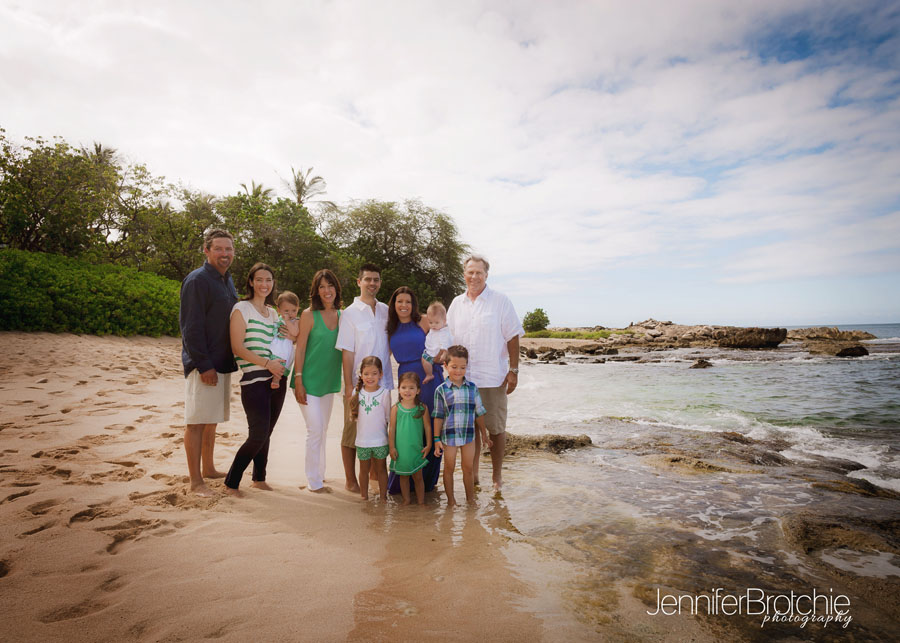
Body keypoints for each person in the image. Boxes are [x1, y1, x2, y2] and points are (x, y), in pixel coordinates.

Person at [446, 254, 524, 493]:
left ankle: (497, 476)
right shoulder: (456, 303)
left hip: (492, 377)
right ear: (464, 275)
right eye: (470, 272)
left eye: (479, 272)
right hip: (463, 380)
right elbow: (448, 339)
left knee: (496, 429)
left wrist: (513, 370)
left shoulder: (500, 301)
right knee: (470, 431)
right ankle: (474, 474)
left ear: (486, 275)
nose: (474, 277)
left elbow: (513, 336)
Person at [179, 229, 238, 497]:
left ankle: (209, 468)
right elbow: (190, 328)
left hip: (222, 361)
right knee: (196, 422)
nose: (225, 254)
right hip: (204, 364)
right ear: (206, 250)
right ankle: (195, 482)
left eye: (229, 249)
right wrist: (204, 365)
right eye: (219, 249)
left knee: (211, 419)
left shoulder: (227, 280)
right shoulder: (197, 280)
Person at [223, 263, 288, 497]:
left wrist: (279, 367)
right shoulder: (242, 309)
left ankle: (259, 479)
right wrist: (267, 363)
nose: (264, 284)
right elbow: (237, 347)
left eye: (268, 280)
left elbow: (280, 342)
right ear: (251, 282)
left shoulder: (273, 313)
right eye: (259, 279)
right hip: (254, 380)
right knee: (258, 434)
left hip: (277, 379)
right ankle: (231, 482)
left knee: (266, 433)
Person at [335, 263, 393, 492]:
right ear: (359, 282)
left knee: (378, 431)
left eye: (376, 279)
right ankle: (351, 480)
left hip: (383, 384)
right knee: (352, 431)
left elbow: (389, 345)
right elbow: (347, 352)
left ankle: (374, 475)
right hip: (358, 385)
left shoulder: (386, 310)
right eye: (368, 279)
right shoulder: (350, 313)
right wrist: (350, 386)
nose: (372, 283)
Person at [386, 286, 443, 493]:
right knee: (407, 429)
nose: (404, 305)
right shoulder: (390, 327)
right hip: (406, 381)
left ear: (413, 304)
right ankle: (403, 481)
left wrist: (441, 357)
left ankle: (427, 482)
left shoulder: (424, 321)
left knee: (432, 427)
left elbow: (444, 337)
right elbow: (384, 355)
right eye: (400, 301)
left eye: (408, 302)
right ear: (394, 304)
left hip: (429, 378)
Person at [291, 269, 343, 493]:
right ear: (316, 290)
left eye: (330, 285)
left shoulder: (343, 316)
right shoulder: (308, 315)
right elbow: (300, 348)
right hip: (307, 381)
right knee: (315, 429)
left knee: (323, 429)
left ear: (336, 289)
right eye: (322, 286)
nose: (326, 290)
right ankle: (313, 482)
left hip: (329, 382)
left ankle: (320, 475)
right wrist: (298, 379)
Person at [432, 345, 492, 506]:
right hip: (449, 436)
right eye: (454, 367)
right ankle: (451, 502)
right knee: (449, 468)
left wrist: (484, 434)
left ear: (466, 367)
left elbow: (479, 412)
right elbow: (438, 416)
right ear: (445, 366)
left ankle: (470, 500)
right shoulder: (441, 390)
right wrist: (436, 439)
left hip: (468, 436)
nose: (458, 371)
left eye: (462, 367)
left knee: (468, 468)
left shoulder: (472, 388)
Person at [389, 372, 432, 506]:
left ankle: (421, 502)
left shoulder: (422, 408)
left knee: (418, 477)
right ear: (399, 389)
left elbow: (427, 427)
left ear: (418, 390)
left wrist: (429, 445)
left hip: (416, 449)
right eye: (404, 387)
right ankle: (406, 500)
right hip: (401, 450)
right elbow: (392, 429)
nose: (407, 391)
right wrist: (392, 447)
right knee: (403, 476)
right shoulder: (396, 408)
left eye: (411, 388)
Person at [351, 356, 390, 501]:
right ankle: (364, 497)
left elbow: (388, 417)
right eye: (366, 374)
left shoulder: (385, 393)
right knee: (363, 470)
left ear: (381, 374)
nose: (370, 377)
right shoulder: (357, 393)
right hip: (362, 441)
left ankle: (383, 497)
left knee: (381, 469)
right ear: (361, 374)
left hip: (380, 440)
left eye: (374, 373)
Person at [268, 291, 300, 389]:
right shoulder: (277, 318)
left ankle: (276, 379)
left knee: (281, 362)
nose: (290, 314)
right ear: (279, 310)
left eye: (294, 310)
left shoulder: (296, 321)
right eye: (286, 311)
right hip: (274, 345)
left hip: (285, 348)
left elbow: (295, 332)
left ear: (298, 309)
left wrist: (287, 321)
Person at [421, 301, 453, 384]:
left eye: (436, 322)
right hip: (431, 353)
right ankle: (429, 374)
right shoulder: (433, 330)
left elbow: (447, 343)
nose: (433, 325)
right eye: (430, 322)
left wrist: (444, 353)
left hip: (440, 354)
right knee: (424, 359)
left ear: (444, 321)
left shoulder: (444, 332)